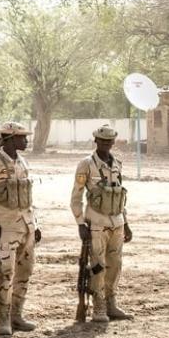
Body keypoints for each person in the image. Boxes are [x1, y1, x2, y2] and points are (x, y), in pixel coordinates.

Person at [0, 122, 41, 335]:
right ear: (10, 139)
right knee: (4, 273)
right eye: (22, 137)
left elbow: (28, 198)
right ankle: (3, 319)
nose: (25, 140)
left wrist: (35, 224)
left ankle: (17, 315)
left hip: (26, 226)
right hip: (5, 228)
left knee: (25, 271)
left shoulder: (22, 162)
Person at [71, 124, 134, 323]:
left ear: (113, 142)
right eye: (102, 140)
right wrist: (81, 223)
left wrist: (127, 222)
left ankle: (111, 303)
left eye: (109, 141)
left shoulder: (117, 164)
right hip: (96, 222)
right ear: (95, 141)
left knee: (115, 264)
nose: (106, 144)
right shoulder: (86, 164)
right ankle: (98, 306)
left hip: (117, 222)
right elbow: (76, 196)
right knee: (98, 265)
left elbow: (119, 195)